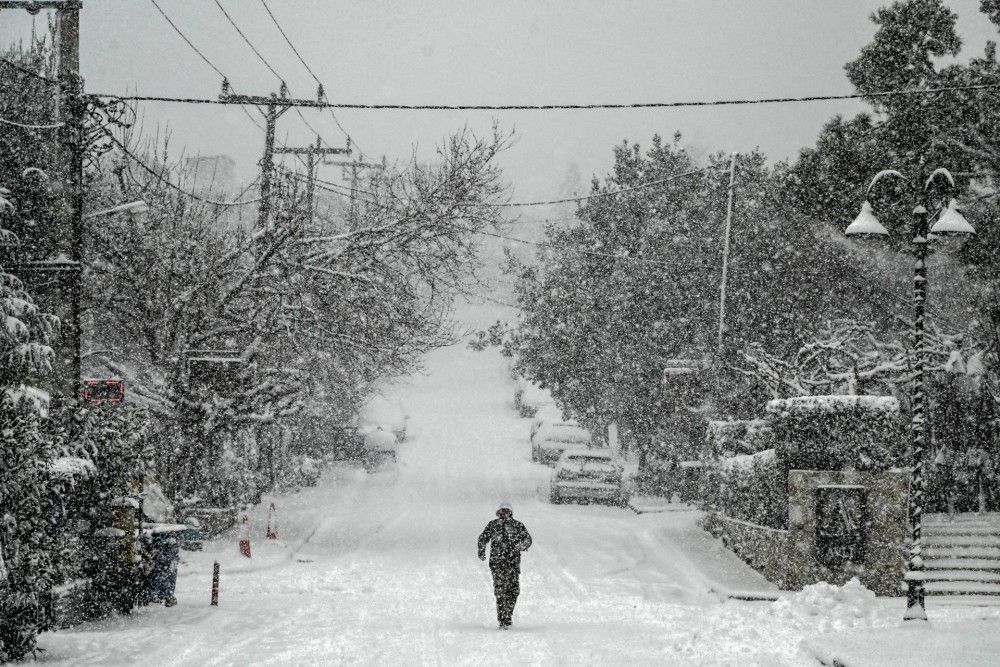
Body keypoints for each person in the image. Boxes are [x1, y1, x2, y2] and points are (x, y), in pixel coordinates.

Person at [477, 501, 532, 629]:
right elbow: (482, 538)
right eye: (502, 511)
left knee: (513, 591)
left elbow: (528, 539)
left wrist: (521, 546)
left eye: (507, 511)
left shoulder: (518, 525)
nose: (504, 513)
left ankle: (508, 615)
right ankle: (503, 621)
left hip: (513, 564)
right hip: (497, 564)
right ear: (499, 512)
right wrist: (481, 551)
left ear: (511, 512)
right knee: (500, 592)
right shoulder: (493, 525)